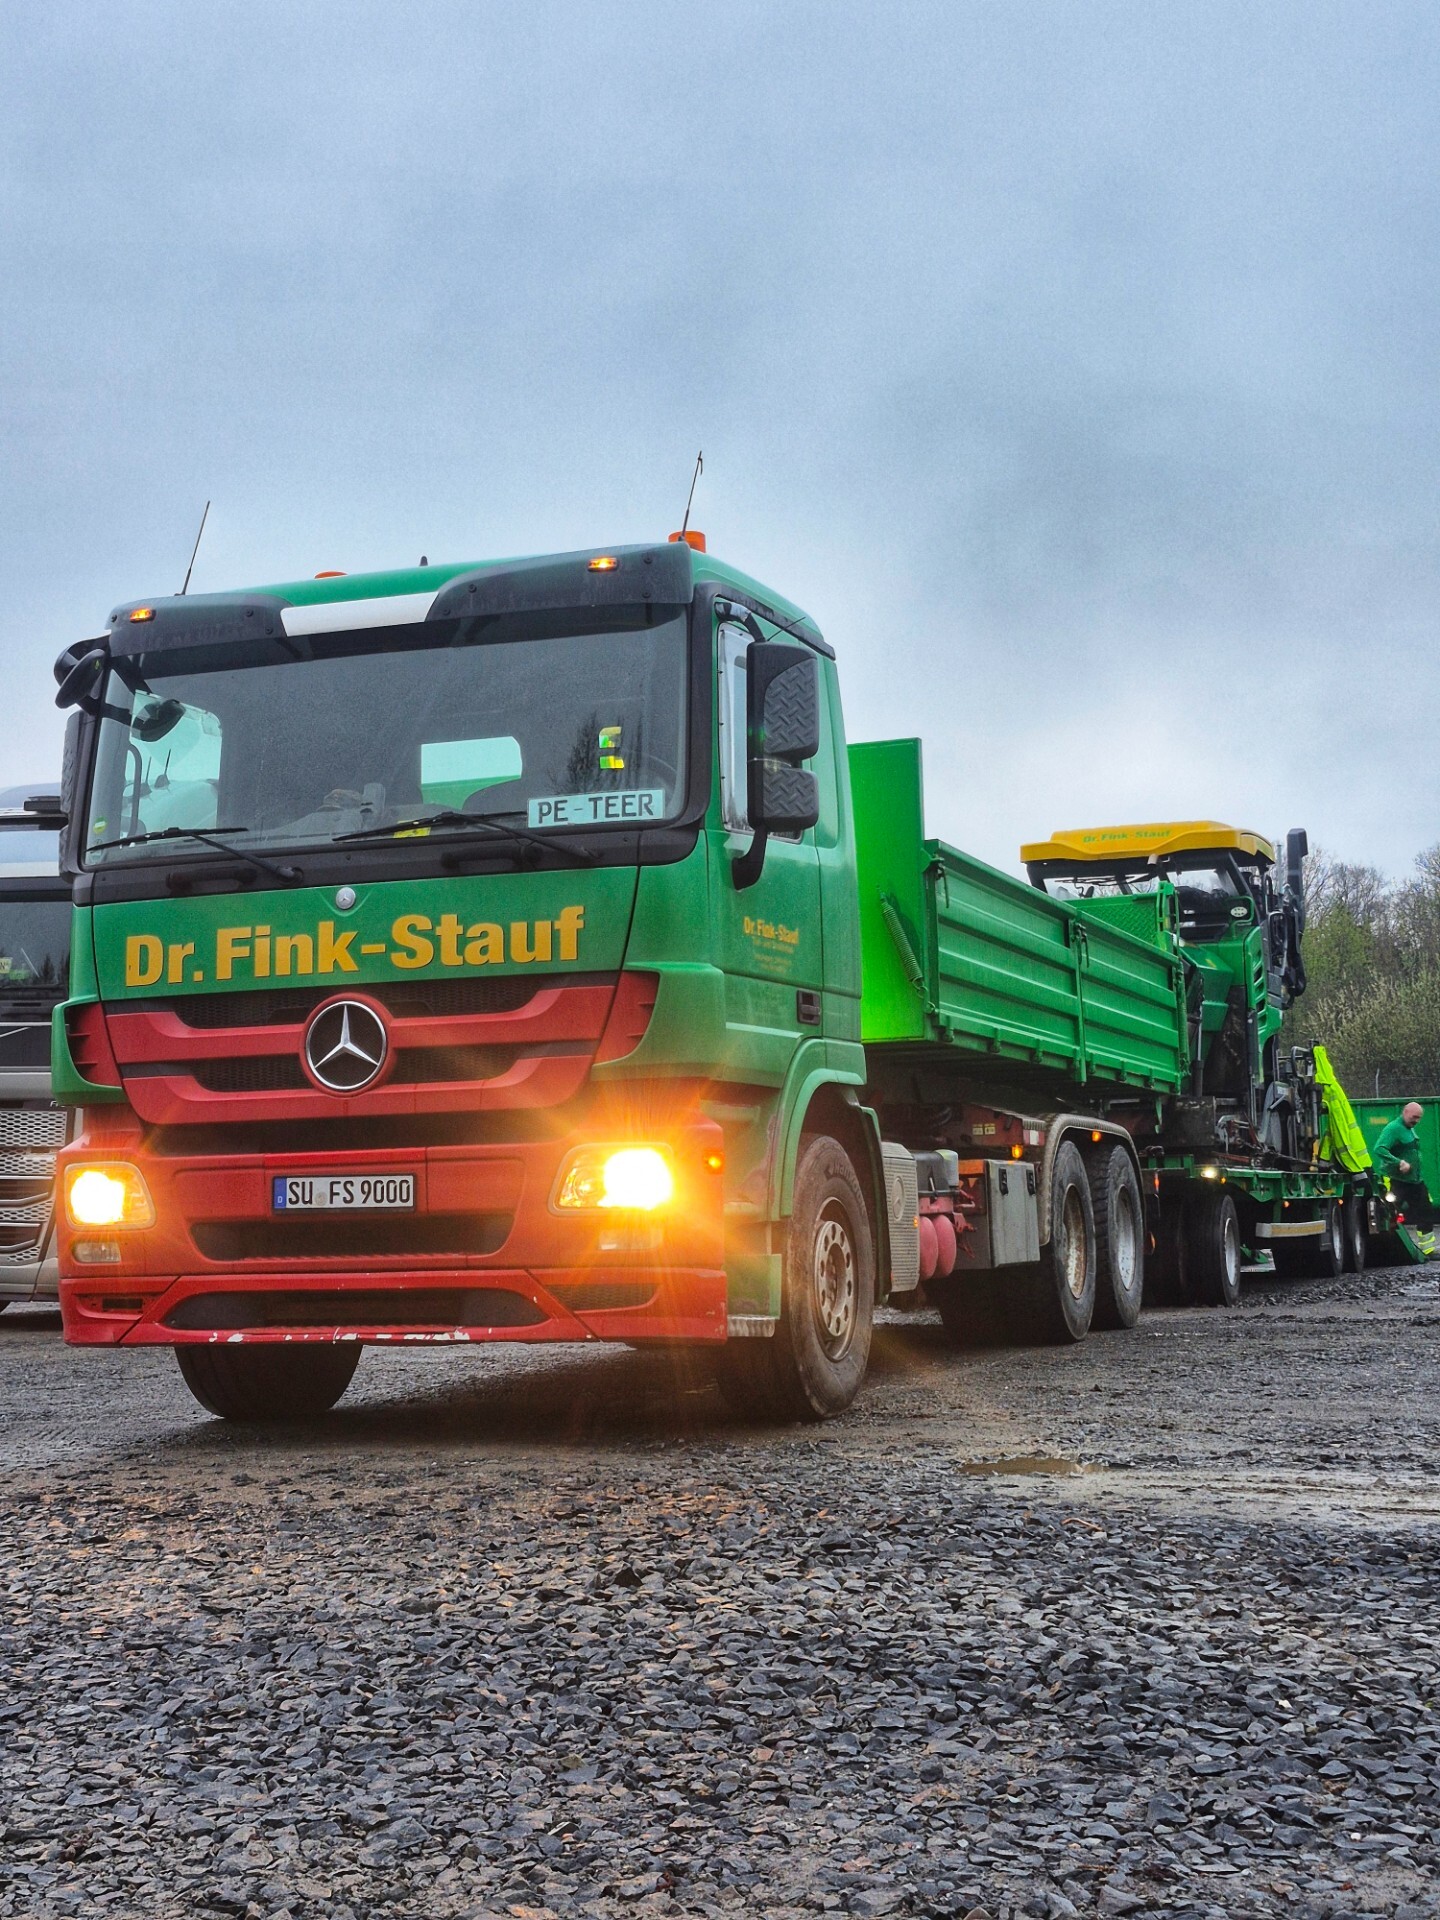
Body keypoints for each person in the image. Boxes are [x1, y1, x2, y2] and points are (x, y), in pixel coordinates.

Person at [1373, 1102, 1436, 1232]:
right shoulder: (1393, 1128)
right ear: (1405, 1112)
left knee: (1425, 1212)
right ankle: (1388, 1241)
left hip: (1414, 1181)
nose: (1416, 1121)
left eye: (1419, 1118)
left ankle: (1427, 1243)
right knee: (1391, 1213)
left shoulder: (1409, 1128)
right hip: (1396, 1180)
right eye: (1414, 1117)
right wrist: (1399, 1162)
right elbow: (1379, 1149)